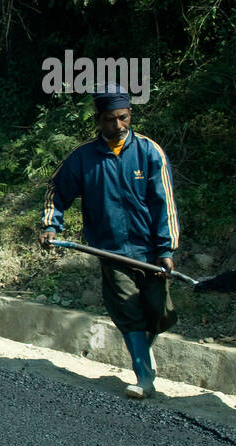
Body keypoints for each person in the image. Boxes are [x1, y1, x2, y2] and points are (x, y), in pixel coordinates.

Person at [40, 84, 179, 398]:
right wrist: (51, 226)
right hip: (110, 249)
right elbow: (56, 192)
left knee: (159, 311)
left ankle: (144, 348)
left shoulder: (149, 152)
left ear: (130, 115)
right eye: (110, 119)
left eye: (123, 118)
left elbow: (164, 203)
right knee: (128, 313)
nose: (117, 126)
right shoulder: (83, 158)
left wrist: (166, 248)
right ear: (98, 119)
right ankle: (144, 376)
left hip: (150, 251)